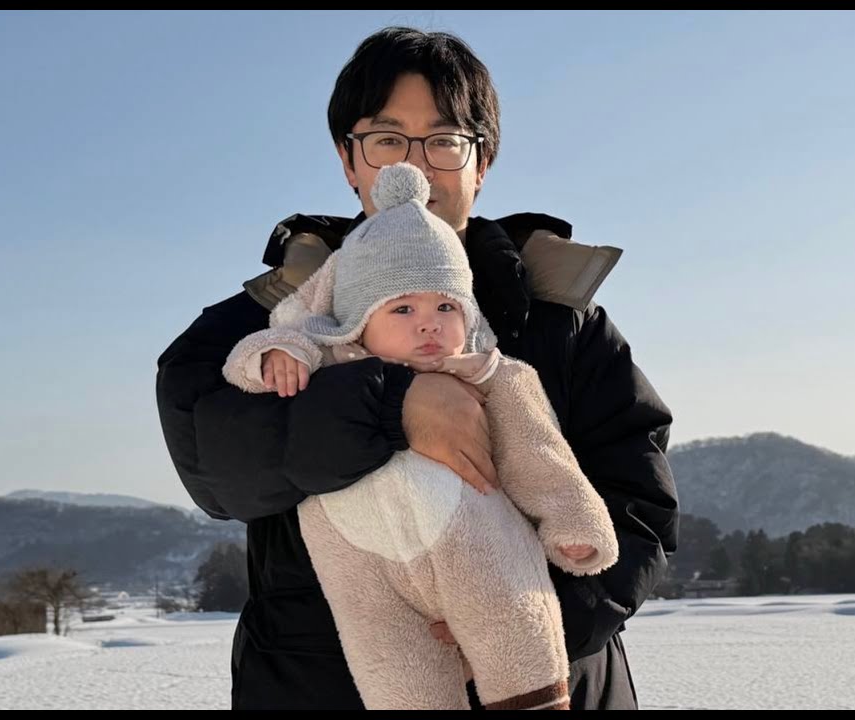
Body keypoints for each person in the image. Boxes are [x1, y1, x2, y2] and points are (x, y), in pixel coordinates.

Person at [155, 26, 677, 710]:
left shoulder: (563, 322)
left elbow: (638, 505)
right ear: (350, 159)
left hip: (556, 682)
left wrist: (526, 621)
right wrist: (392, 403)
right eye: (387, 138)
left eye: (445, 140)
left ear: (481, 162)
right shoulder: (268, 323)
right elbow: (215, 468)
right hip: (322, 685)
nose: (418, 166)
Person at [223, 163, 618, 710]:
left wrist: (571, 522)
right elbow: (242, 367)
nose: (428, 323)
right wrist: (272, 356)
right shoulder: (324, 362)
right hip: (365, 578)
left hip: (480, 559)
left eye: (445, 306)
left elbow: (540, 455)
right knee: (396, 675)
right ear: (357, 320)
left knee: (517, 629)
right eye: (403, 309)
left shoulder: (490, 375)